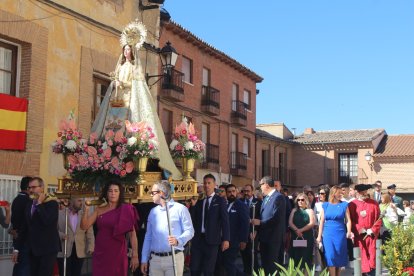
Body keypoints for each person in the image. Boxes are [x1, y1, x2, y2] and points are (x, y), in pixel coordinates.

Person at [91, 38, 182, 181]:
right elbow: (115, 81)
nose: (126, 52)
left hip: (128, 99)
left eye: (129, 50)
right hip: (116, 102)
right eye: (125, 49)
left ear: (132, 52)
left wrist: (123, 83)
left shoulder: (134, 67)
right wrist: (114, 83)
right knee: (112, 126)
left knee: (127, 125)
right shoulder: (120, 67)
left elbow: (135, 83)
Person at [81, 179, 139, 276]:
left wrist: (135, 255)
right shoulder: (99, 209)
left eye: (116, 191)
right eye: (110, 191)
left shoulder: (126, 209)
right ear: (106, 193)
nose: (113, 193)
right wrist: (86, 210)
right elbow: (84, 226)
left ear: (120, 193)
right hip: (100, 253)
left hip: (117, 253)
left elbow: (132, 234)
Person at [141, 181, 194, 276]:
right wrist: (144, 259)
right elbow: (148, 237)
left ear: (161, 193)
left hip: (173, 257)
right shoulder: (153, 212)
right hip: (155, 259)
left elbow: (190, 231)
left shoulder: (180, 209)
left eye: (153, 192)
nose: (151, 195)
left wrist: (178, 240)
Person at [189, 173, 230, 276]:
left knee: (208, 270)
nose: (206, 185)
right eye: (205, 183)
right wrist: (193, 206)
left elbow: (225, 221)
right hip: (198, 240)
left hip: (212, 241)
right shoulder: (199, 200)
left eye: (209, 183)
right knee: (194, 269)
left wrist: (226, 239)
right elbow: (193, 219)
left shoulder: (220, 201)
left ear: (214, 184)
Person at [25, 177, 60, 276]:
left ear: (42, 188)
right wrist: (17, 248)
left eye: (34, 187)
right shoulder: (29, 204)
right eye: (29, 187)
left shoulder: (52, 203)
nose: (31, 190)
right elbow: (27, 226)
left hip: (47, 249)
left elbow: (47, 221)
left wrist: (39, 204)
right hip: (33, 249)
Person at [251, 176, 286, 275]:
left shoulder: (279, 197)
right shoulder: (266, 198)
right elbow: (262, 216)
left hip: (273, 239)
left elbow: (277, 219)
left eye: (260, 185)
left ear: (266, 185)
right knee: (266, 265)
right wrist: (256, 230)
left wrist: (260, 223)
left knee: (272, 267)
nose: (260, 188)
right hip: (264, 238)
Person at [316, 185, 352, 276]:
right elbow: (321, 222)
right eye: (339, 192)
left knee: (339, 256)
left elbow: (348, 220)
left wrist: (348, 231)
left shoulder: (344, 205)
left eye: (342, 192)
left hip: (340, 233)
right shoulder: (326, 205)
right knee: (330, 256)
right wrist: (319, 236)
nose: (341, 194)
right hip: (328, 234)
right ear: (333, 193)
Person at [348, 184, 382, 276]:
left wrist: (373, 229)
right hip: (359, 237)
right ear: (357, 192)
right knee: (361, 258)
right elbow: (350, 220)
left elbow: (379, 219)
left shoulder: (374, 203)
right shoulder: (352, 204)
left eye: (365, 191)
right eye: (361, 192)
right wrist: (360, 229)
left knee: (372, 257)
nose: (363, 193)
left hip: (371, 236)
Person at [57, 198, 95, 276]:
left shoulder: (85, 215)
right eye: (79, 200)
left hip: (79, 250)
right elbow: (53, 230)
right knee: (64, 273)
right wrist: (61, 235)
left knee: (76, 273)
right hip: (64, 249)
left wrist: (91, 247)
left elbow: (90, 233)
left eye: (82, 201)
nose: (82, 203)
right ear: (72, 201)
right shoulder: (59, 214)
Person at [221, 184, 249, 276]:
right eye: (229, 192)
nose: (231, 193)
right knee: (226, 263)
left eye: (233, 191)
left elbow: (245, 223)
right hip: (223, 239)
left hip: (235, 240)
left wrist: (243, 240)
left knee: (229, 263)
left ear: (236, 191)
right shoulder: (224, 204)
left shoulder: (241, 205)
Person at [10, 176, 32, 276]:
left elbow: (14, 220)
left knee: (18, 267)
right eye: (32, 187)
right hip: (25, 239)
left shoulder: (16, 200)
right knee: (24, 268)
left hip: (17, 239)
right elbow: (26, 222)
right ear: (28, 188)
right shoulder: (28, 201)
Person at [288, 193, 315, 270]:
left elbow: (311, 223)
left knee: (306, 258)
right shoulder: (294, 210)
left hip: (306, 237)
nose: (300, 201)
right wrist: (297, 230)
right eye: (298, 200)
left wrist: (301, 230)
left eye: (302, 200)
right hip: (295, 236)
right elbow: (290, 222)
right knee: (295, 257)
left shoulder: (310, 210)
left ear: (306, 201)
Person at [240, 184, 262, 275]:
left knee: (252, 255)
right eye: (245, 191)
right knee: (243, 254)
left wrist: (256, 231)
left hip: (253, 232)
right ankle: (246, 272)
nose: (246, 193)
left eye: (248, 191)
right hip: (242, 233)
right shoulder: (240, 201)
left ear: (252, 192)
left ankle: (256, 272)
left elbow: (260, 217)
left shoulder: (258, 202)